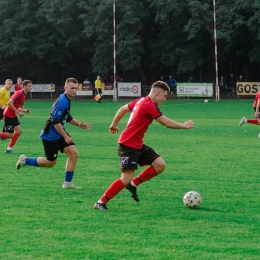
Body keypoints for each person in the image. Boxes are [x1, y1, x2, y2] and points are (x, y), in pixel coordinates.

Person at [94, 80, 195, 210]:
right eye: (164, 96)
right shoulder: (148, 105)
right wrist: (184, 126)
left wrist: (114, 124)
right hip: (128, 145)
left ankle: (133, 184)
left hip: (137, 145)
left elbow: (122, 109)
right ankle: (100, 202)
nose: (164, 99)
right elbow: (167, 123)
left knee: (160, 165)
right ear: (157, 93)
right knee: (125, 178)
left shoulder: (140, 100)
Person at [15, 78, 92, 189]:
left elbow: (66, 116)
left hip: (59, 132)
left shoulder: (66, 99)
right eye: (72, 88)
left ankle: (67, 183)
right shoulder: (63, 101)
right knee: (50, 163)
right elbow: (56, 122)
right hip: (50, 135)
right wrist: (65, 136)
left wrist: (79, 124)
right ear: (65, 88)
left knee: (74, 154)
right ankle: (25, 160)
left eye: (76, 88)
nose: (74, 90)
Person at [0, 80, 32, 152]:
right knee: (10, 135)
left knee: (18, 131)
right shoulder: (19, 93)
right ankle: (8, 149)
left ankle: (9, 149)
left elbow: (19, 107)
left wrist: (25, 110)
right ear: (24, 86)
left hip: (13, 115)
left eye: (31, 86)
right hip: (8, 114)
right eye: (29, 86)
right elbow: (9, 103)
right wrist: (18, 112)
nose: (31, 88)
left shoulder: (24, 95)